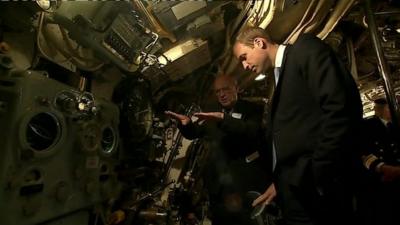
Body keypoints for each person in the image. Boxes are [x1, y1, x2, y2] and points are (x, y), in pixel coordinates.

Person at [233, 27, 363, 225]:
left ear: (259, 43)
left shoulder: (304, 49)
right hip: (293, 188)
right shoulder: (278, 76)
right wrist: (281, 181)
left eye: (244, 57)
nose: (244, 66)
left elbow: (341, 108)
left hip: (316, 186)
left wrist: (318, 172)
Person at [165, 74, 272, 225]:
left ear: (237, 88)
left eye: (226, 89)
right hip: (218, 186)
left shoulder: (253, 109)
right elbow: (195, 133)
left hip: (244, 183)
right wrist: (186, 124)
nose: (221, 94)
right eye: (217, 91)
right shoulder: (211, 111)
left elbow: (249, 130)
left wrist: (223, 118)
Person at [357, 97, 400, 225]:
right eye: (390, 107)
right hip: (381, 180)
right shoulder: (367, 126)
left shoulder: (396, 124)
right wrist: (381, 167)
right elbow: (363, 154)